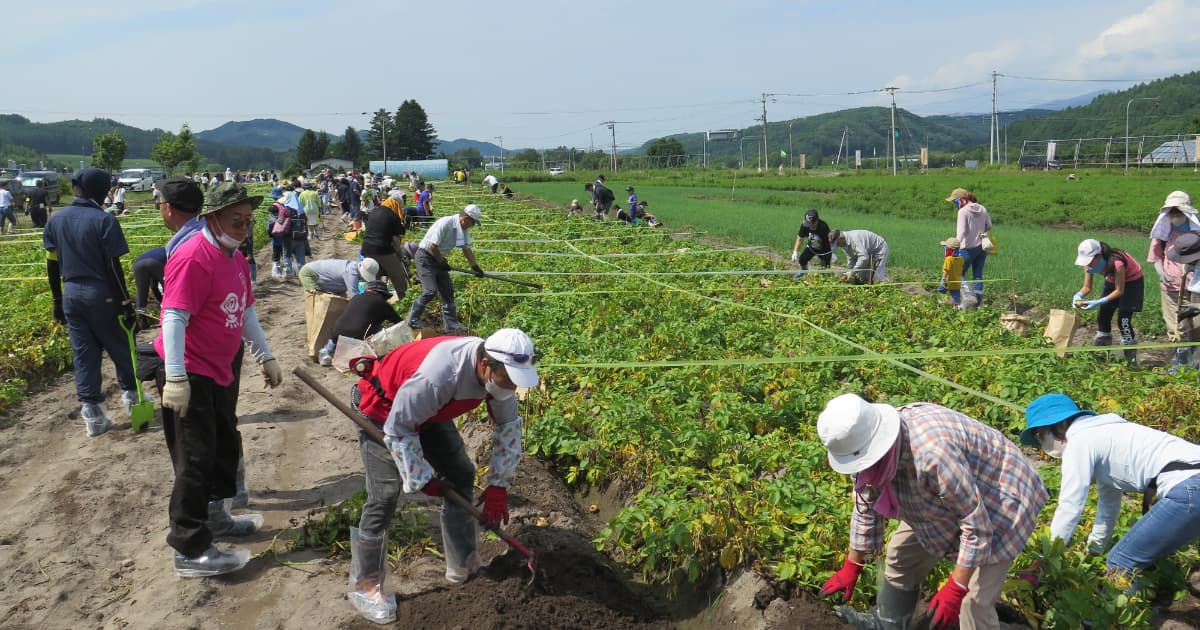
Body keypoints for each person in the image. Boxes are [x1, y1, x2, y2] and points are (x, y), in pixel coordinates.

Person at [345, 327, 539, 623]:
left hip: (428, 413)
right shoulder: (438, 377)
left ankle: (464, 563)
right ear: (486, 365)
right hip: (382, 408)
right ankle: (366, 584)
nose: (512, 387)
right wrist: (422, 477)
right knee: (384, 494)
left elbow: (509, 427)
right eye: (509, 380)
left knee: (461, 473)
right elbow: (399, 428)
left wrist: (499, 483)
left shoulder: (498, 378)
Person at [817, 393, 1047, 630]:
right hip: (950, 494)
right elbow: (865, 501)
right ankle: (888, 624)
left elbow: (975, 525)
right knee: (901, 555)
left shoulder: (931, 453)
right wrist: (853, 564)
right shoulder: (865, 447)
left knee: (973, 605)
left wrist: (957, 587)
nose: (864, 470)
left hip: (1000, 498)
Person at [155, 182, 283, 578]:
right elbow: (174, 316)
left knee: (224, 444)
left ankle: (216, 517)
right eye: (235, 219)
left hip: (220, 367)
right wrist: (176, 378)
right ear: (212, 218)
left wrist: (265, 355)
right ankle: (189, 549)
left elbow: (244, 312)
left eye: (248, 220)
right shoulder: (195, 256)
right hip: (189, 369)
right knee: (194, 459)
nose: (244, 226)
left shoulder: (236, 259)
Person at [1022, 393, 1200, 589]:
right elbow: (1108, 507)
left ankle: (1110, 620)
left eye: (1041, 434)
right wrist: (1094, 552)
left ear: (1062, 424)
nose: (1041, 442)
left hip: (1189, 486)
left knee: (1121, 562)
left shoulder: (1080, 440)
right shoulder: (1106, 436)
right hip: (1192, 484)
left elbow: (1070, 506)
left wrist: (1044, 559)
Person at [43, 168, 138, 437]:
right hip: (101, 294)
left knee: (84, 354)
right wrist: (125, 302)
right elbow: (112, 266)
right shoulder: (104, 221)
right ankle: (133, 399)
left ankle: (93, 416)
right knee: (120, 346)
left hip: (71, 294)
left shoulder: (56, 220)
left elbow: (52, 265)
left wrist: (57, 300)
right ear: (103, 190)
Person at [406, 205, 485, 332]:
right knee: (430, 291)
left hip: (439, 258)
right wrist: (441, 261)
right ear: (465, 218)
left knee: (447, 290)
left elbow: (466, 248)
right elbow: (433, 246)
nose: (473, 226)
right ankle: (412, 319)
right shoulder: (446, 223)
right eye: (473, 222)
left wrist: (475, 266)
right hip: (425, 257)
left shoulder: (462, 229)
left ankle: (451, 323)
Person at [1147, 190, 1200, 358]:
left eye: (1178, 212)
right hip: (1171, 284)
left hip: (1196, 286)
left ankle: (1195, 358)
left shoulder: (1196, 232)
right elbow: (1155, 255)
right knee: (1177, 325)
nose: (1175, 216)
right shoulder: (1163, 232)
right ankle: (1180, 359)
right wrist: (1161, 272)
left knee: (1197, 324)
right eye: (1172, 212)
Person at [1073, 238, 1144, 362]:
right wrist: (1078, 295)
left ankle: (1130, 358)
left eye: (1090, 261)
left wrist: (1098, 302)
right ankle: (1102, 353)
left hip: (1132, 283)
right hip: (1111, 281)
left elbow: (1120, 290)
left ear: (1099, 256)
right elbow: (1087, 287)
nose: (1088, 265)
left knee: (1124, 321)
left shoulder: (1117, 263)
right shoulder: (1088, 264)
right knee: (1103, 315)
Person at [317, 280, 401, 367]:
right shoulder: (382, 303)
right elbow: (399, 322)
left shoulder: (356, 297)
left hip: (337, 332)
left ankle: (326, 352)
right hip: (358, 337)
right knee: (380, 329)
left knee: (338, 336)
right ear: (382, 293)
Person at [946, 188, 993, 308]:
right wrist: (979, 231)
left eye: (954, 201)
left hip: (966, 248)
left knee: (957, 272)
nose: (954, 204)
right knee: (978, 274)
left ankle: (968, 296)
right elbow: (989, 225)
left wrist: (954, 247)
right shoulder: (982, 208)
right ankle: (977, 303)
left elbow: (961, 233)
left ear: (960, 200)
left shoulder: (963, 211)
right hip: (981, 248)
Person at [360, 189, 409, 296]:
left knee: (373, 275)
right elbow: (396, 240)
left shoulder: (374, 212)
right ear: (396, 205)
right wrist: (400, 255)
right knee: (398, 274)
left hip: (366, 248)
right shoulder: (393, 215)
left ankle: (368, 297)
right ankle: (403, 297)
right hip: (382, 249)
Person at [300, 257, 379, 296]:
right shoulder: (350, 272)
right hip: (309, 274)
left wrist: (363, 294)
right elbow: (355, 295)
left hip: (321, 276)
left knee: (340, 298)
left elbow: (360, 288)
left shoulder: (355, 267)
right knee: (318, 297)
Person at [790, 209, 833, 275]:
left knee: (824, 270)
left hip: (824, 251)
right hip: (812, 247)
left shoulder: (823, 227)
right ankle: (803, 271)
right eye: (808, 224)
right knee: (802, 259)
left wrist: (833, 252)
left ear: (817, 221)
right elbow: (800, 239)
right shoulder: (804, 225)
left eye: (812, 224)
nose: (810, 226)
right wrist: (795, 252)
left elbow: (830, 240)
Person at [937, 237, 965, 309]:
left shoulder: (948, 259)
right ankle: (957, 309)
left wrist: (943, 279)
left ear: (949, 249)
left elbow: (946, 270)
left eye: (945, 247)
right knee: (956, 297)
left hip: (947, 281)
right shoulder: (961, 259)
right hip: (956, 282)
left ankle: (940, 307)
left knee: (941, 292)